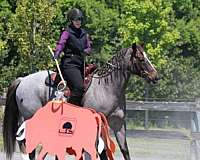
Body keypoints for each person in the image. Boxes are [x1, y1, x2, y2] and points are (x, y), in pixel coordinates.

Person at [53, 8, 91, 106]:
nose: (78, 22)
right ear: (71, 20)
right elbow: (61, 43)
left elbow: (88, 47)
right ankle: (70, 107)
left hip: (81, 64)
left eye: (80, 20)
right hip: (70, 64)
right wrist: (57, 52)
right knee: (79, 87)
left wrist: (87, 51)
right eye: (76, 20)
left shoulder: (84, 33)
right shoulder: (67, 32)